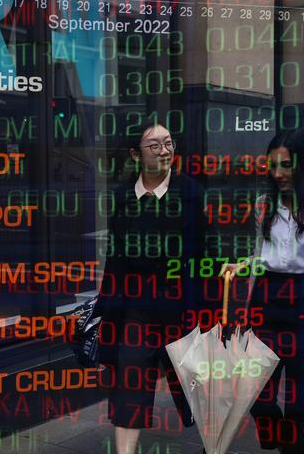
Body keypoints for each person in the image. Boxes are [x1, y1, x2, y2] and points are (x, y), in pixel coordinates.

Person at [221, 129, 304, 454]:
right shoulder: (263, 205)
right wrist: (244, 265)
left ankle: (292, 447)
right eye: (273, 165)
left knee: (299, 401)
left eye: (287, 165)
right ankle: (279, 437)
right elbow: (266, 254)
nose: (279, 173)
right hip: (265, 304)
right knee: (255, 394)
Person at [94, 123, 208, 454]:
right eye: (154, 145)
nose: (165, 151)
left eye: (169, 143)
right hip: (136, 308)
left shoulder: (191, 193)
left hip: (181, 307)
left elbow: (207, 252)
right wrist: (106, 310)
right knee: (129, 383)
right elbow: (114, 258)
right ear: (135, 154)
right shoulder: (121, 197)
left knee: (195, 387)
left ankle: (213, 444)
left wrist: (210, 309)